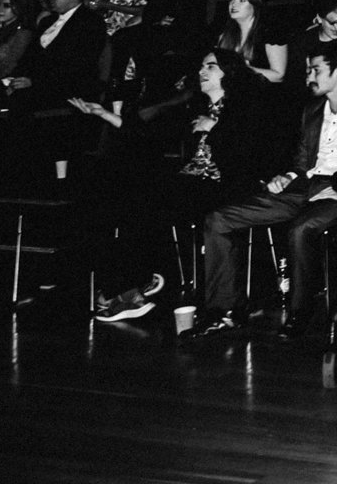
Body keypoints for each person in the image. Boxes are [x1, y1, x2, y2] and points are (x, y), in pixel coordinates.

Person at [190, 42, 337, 339]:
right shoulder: (312, 110)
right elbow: (301, 162)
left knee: (301, 229)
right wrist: (285, 177)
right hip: (306, 186)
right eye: (308, 69)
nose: (309, 76)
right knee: (218, 219)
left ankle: (300, 314)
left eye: (316, 70)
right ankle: (224, 311)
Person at [79, 49, 266, 321]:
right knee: (129, 197)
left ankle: (131, 287)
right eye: (202, 66)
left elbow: (249, 154)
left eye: (211, 67)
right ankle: (134, 286)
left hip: (226, 185)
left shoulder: (245, 107)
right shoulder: (196, 107)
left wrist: (213, 127)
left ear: (229, 73)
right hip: (193, 181)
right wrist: (106, 115)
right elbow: (151, 134)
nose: (202, 72)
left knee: (149, 204)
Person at [217, 0, 288, 84]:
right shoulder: (225, 33)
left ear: (255, 4)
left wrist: (244, 69)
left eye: (241, 0)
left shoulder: (271, 33)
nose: (233, 4)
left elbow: (279, 76)